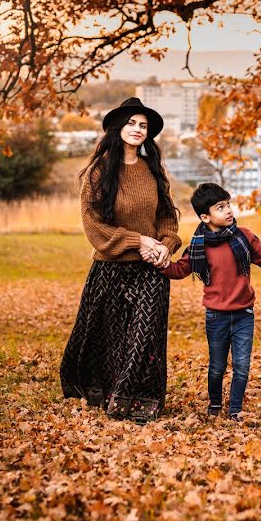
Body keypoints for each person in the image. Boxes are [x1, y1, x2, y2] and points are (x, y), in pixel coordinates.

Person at [60, 97, 181, 424]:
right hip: (110, 268)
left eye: (143, 125)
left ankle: (136, 401)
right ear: (118, 127)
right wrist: (137, 240)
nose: (138, 129)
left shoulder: (153, 171)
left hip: (151, 270)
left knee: (145, 336)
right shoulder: (99, 172)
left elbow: (167, 217)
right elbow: (93, 224)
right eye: (132, 123)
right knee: (110, 337)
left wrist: (165, 245)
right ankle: (105, 393)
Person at [159, 183, 261, 422]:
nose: (228, 211)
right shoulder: (199, 244)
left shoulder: (243, 236)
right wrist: (160, 264)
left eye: (228, 205)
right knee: (216, 367)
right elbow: (180, 269)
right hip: (216, 316)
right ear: (205, 217)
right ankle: (214, 404)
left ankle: (235, 410)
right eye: (220, 207)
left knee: (242, 366)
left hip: (244, 313)